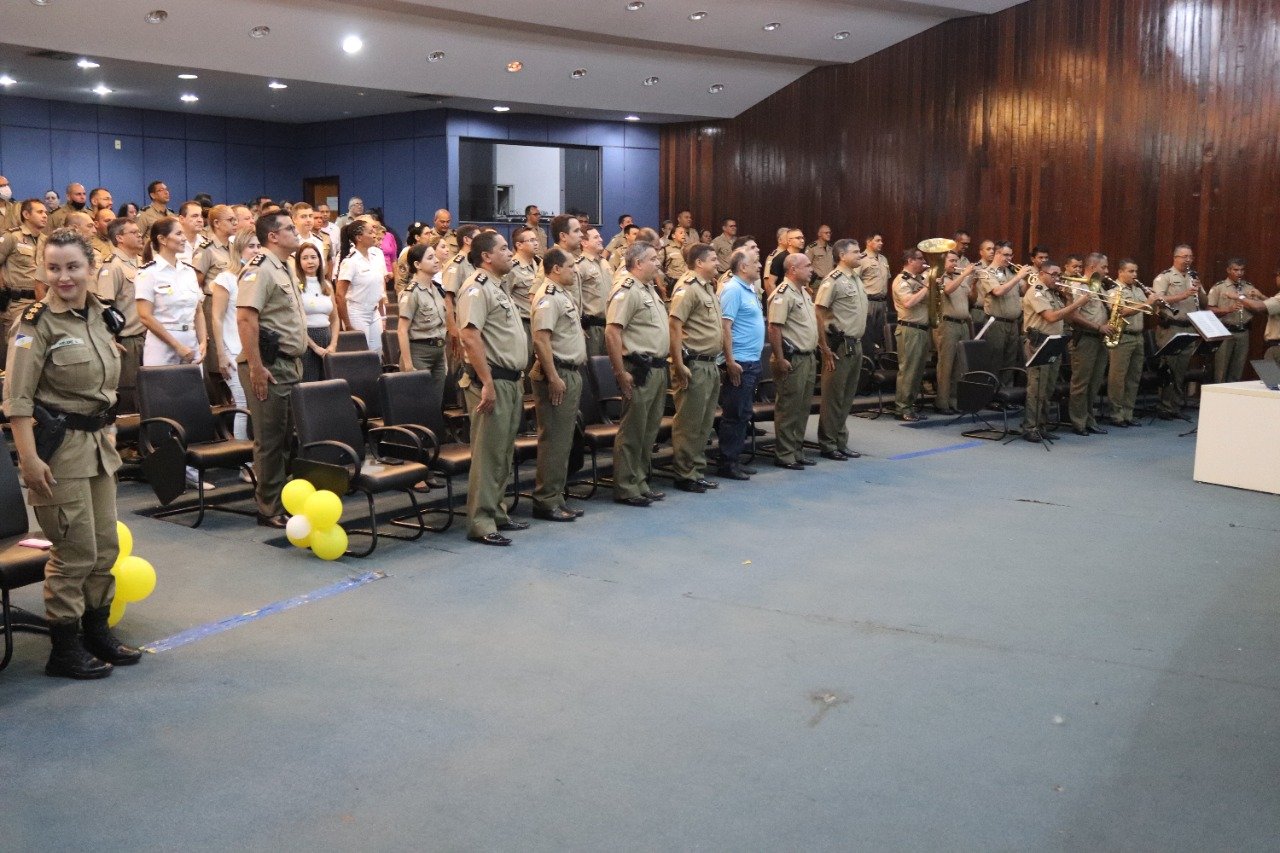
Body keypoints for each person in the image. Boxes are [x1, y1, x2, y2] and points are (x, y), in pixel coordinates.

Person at [2, 227, 140, 679]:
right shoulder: (34, 324)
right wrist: (28, 458)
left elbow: (103, 385)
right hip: (57, 452)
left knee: (104, 547)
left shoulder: (101, 316)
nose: (64, 276)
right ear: (44, 269)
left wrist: (112, 430)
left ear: (90, 268)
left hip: (98, 445)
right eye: (54, 267)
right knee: (73, 551)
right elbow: (17, 400)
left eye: (73, 267)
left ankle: (96, 631)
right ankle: (63, 649)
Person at [455, 232, 529, 545]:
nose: (510, 252)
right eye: (503, 248)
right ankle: (481, 522)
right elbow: (470, 336)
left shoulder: (498, 287)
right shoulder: (476, 288)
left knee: (502, 452)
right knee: (488, 454)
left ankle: (497, 511)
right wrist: (486, 381)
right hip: (491, 380)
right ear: (486, 256)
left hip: (510, 380)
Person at [236, 212, 306, 528]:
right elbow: (246, 319)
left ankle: (283, 500)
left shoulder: (283, 267)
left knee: (286, 438)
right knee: (270, 439)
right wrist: (256, 368)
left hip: (289, 363)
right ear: (273, 236)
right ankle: (269, 508)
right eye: (290, 228)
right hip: (269, 364)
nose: (296, 231)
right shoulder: (260, 269)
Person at [135, 217, 209, 488]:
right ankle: (167, 470)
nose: (183, 237)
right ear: (162, 240)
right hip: (163, 341)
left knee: (189, 406)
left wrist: (204, 341)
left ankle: (191, 467)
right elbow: (144, 316)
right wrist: (177, 345)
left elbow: (198, 309)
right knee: (164, 407)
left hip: (189, 338)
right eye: (178, 233)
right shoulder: (149, 272)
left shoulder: (188, 271)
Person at [606, 243, 670, 506]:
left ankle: (640, 480)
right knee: (633, 430)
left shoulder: (648, 289)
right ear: (638, 263)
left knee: (648, 429)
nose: (658, 263)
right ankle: (626, 485)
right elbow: (612, 332)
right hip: (638, 368)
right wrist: (620, 372)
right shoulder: (627, 289)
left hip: (657, 367)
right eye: (653, 259)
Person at [528, 248, 588, 522]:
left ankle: (556, 496)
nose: (575, 270)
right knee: (553, 440)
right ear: (555, 269)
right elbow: (541, 339)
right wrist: (552, 377)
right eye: (571, 266)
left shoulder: (562, 295)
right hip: (557, 373)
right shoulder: (548, 298)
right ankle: (545, 500)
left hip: (570, 371)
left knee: (564, 441)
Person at [667, 244, 724, 492]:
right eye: (713, 259)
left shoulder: (708, 288)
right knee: (689, 422)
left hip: (710, 363)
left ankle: (696, 469)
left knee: (704, 422)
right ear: (699, 263)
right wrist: (678, 363)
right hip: (693, 364)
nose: (717, 263)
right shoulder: (687, 288)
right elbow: (674, 326)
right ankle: (684, 473)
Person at [814, 239, 868, 459]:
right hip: (839, 345)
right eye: (855, 252)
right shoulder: (833, 280)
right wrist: (823, 346)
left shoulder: (855, 278)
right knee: (833, 397)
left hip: (856, 344)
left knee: (846, 397)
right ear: (842, 256)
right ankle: (828, 443)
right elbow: (818, 312)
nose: (860, 255)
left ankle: (840, 440)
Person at [1021, 262, 1087, 442]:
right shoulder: (1037, 291)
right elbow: (1051, 317)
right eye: (1054, 275)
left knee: (1048, 387)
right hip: (1038, 342)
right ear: (1042, 274)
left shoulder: (1053, 294)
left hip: (1054, 342)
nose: (1058, 279)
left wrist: (1070, 299)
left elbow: (1067, 315)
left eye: (1059, 275)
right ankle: (1030, 427)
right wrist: (1078, 303)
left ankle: (1042, 425)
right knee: (1037, 387)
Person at [716, 251, 765, 480]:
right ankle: (727, 463)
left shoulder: (750, 288)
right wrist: (730, 360)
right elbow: (725, 327)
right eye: (755, 262)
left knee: (743, 412)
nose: (760, 265)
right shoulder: (733, 289)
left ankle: (735, 458)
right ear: (743, 267)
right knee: (734, 413)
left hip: (751, 360)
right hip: (739, 361)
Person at [768, 253, 820, 467]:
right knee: (789, 408)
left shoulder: (803, 293)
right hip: (792, 358)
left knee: (802, 406)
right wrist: (780, 358)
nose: (811, 269)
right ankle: (785, 454)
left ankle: (797, 449)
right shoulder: (783, 293)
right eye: (807, 266)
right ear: (792, 270)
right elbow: (774, 327)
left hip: (808, 357)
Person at [211, 227, 262, 444]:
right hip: (232, 349)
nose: (256, 250)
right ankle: (243, 458)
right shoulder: (226, 278)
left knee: (257, 404)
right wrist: (221, 354)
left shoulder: (259, 276)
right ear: (239, 249)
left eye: (259, 246)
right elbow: (216, 318)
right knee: (242, 402)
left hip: (254, 349)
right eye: (251, 246)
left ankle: (254, 453)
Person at [93, 217, 146, 413]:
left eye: (139, 231)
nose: (139, 235)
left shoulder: (142, 262)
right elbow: (104, 307)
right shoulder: (112, 266)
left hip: (146, 337)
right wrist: (110, 340)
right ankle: (127, 438)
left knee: (147, 391)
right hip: (127, 340)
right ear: (119, 238)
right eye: (133, 232)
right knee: (129, 392)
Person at [1105, 259, 1158, 428]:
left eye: (1136, 271)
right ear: (1120, 272)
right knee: (1118, 378)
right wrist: (1146, 303)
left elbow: (1148, 311)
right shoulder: (1114, 291)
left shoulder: (1138, 290)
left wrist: (1153, 300)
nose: (1135, 275)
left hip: (1138, 337)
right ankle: (1116, 414)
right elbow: (1120, 312)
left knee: (1134, 377)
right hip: (1123, 337)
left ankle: (1128, 413)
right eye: (1131, 271)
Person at [1066, 253, 1115, 436]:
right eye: (1104, 267)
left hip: (1099, 338)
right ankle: (1078, 422)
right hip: (1085, 337)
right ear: (1093, 267)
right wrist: (1098, 327)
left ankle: (1089, 419)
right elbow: (1074, 316)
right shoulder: (1079, 285)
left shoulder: (1099, 286)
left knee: (1094, 383)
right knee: (1081, 382)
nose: (1107, 271)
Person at [1153, 244, 1204, 418]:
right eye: (1184, 257)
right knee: (1170, 367)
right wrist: (1181, 296)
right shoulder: (1165, 277)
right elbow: (1157, 300)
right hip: (1171, 327)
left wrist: (1199, 288)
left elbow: (1203, 301)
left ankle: (1175, 406)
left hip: (1189, 327)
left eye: (1191, 256)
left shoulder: (1192, 277)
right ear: (1175, 258)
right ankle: (1165, 406)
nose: (1188, 260)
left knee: (1181, 369)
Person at [0, 199, 48, 369]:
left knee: (34, 349)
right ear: (26, 215)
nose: (45, 216)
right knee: (17, 348)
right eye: (40, 212)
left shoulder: (46, 241)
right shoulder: (11, 237)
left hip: (40, 301)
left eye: (45, 213)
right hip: (16, 303)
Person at [396, 243, 448, 388]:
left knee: (436, 404)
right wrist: (407, 364)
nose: (436, 260)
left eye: (435, 257)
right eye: (430, 258)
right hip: (418, 353)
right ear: (417, 264)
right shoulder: (411, 292)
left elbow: (440, 327)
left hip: (438, 353)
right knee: (419, 403)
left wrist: (443, 357)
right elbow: (402, 330)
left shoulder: (437, 289)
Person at [933, 250, 978, 414]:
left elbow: (972, 300)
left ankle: (954, 400)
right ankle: (942, 402)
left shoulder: (962, 279)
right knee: (946, 365)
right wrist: (965, 273)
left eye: (957, 261)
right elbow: (948, 290)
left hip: (963, 324)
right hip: (948, 325)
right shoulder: (939, 277)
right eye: (951, 260)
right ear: (943, 263)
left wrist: (973, 285)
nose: (955, 264)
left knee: (960, 365)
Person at [891, 248, 933, 421]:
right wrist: (929, 287)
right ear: (910, 261)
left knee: (917, 371)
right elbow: (908, 302)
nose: (923, 261)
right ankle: (902, 408)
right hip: (909, 328)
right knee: (908, 370)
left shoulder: (919, 280)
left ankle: (910, 405)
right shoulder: (902, 280)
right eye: (920, 259)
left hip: (922, 329)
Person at [335, 219, 387, 354]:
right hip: (357, 312)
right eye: (370, 232)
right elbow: (340, 295)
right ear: (359, 238)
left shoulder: (375, 257)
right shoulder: (350, 261)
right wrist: (347, 324)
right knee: (362, 353)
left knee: (378, 351)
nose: (375, 235)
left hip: (374, 311)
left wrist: (383, 316)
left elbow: (379, 289)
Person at [1207, 258, 1262, 384]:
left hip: (1243, 331)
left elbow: (1260, 308)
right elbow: (1209, 310)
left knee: (1237, 370)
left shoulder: (1249, 288)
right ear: (1228, 270)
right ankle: (1218, 400)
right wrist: (1227, 309)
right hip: (1225, 331)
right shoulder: (1219, 287)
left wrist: (1252, 301)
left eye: (1242, 270)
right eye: (1236, 270)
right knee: (1221, 371)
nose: (1239, 273)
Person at [978, 241, 1032, 369]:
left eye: (1011, 255)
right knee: (995, 361)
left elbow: (1023, 292)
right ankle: (994, 389)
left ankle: (1007, 388)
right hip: (996, 323)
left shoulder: (1011, 272)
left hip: (1013, 324)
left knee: (1010, 362)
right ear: (997, 253)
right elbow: (997, 291)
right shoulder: (987, 272)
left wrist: (1029, 280)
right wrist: (1019, 277)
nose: (1009, 258)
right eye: (1006, 255)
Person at [297, 242, 338, 383]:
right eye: (305, 258)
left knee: (328, 384)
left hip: (326, 339)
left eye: (313, 257)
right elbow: (295, 321)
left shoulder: (327, 285)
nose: (310, 261)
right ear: (299, 262)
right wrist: (314, 347)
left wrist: (333, 345)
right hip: (306, 341)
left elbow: (335, 319)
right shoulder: (295, 285)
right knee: (309, 383)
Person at [505, 226, 542, 360]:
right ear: (519, 245)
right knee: (525, 364)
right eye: (531, 240)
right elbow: (505, 297)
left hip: (539, 322)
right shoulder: (511, 268)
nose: (536, 243)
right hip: (523, 323)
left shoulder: (540, 264)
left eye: (536, 240)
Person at [859, 231, 891, 352]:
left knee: (879, 334)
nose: (881, 243)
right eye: (877, 240)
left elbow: (886, 280)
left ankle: (878, 362)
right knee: (867, 334)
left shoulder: (883, 259)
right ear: (868, 242)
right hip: (868, 301)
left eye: (881, 241)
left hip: (882, 302)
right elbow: (856, 280)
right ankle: (867, 361)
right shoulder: (861, 259)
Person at [766, 229, 805, 298]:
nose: (802, 241)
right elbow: (771, 283)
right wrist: (777, 301)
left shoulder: (802, 257)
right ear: (789, 241)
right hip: (785, 298)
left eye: (802, 238)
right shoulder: (780, 258)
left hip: (799, 297)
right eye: (798, 238)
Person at [661, 225, 690, 294]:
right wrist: (664, 282)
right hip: (673, 284)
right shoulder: (666, 249)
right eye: (681, 233)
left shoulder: (688, 249)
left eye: (684, 233)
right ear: (673, 235)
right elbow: (657, 267)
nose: (684, 234)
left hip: (687, 283)